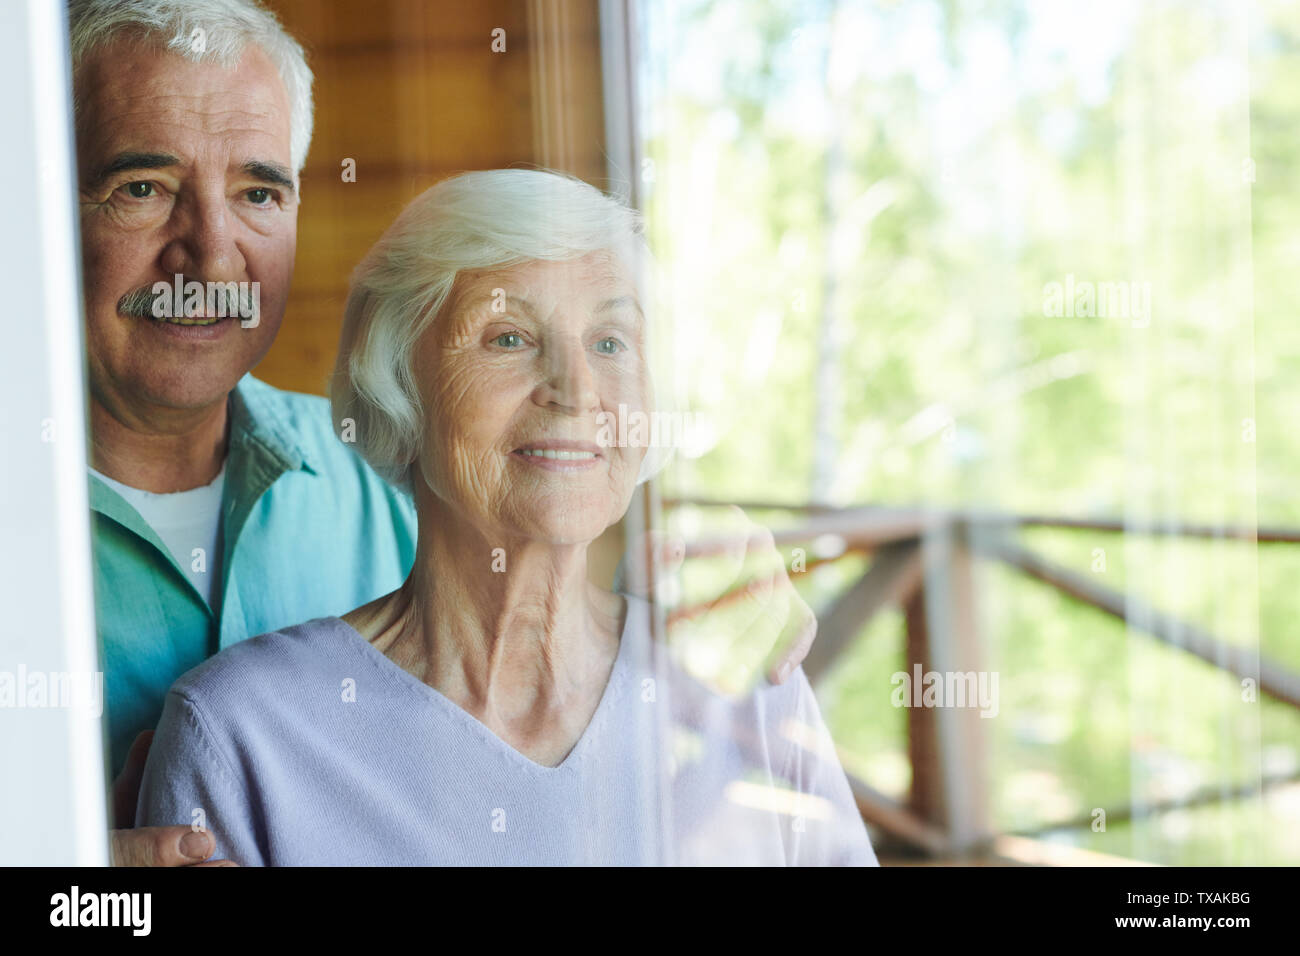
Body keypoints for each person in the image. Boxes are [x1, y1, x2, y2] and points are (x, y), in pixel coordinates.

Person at [138, 169, 877, 866]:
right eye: (509, 338)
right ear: (400, 385)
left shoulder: (733, 676)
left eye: (611, 341)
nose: (577, 389)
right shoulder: (242, 732)